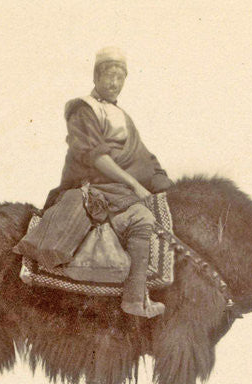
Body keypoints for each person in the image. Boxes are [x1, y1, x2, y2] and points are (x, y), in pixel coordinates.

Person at [44, 47, 174, 318]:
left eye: (120, 77)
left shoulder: (122, 116)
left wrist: (165, 183)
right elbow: (95, 157)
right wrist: (134, 184)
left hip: (117, 187)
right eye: (109, 76)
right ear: (96, 76)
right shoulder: (82, 109)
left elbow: (143, 157)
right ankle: (134, 300)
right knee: (142, 220)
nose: (115, 83)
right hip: (92, 186)